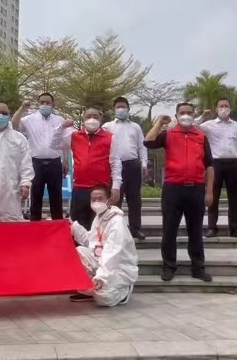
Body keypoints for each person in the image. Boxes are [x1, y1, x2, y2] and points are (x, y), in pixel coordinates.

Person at [144, 103, 214, 283]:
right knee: (169, 230)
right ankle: (169, 266)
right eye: (182, 113)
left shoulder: (201, 136)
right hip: (173, 188)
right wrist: (159, 123)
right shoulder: (168, 134)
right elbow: (148, 142)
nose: (186, 115)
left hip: (196, 188)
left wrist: (209, 191)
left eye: (189, 113)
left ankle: (198, 267)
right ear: (176, 115)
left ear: (194, 115)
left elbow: (209, 165)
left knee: (195, 230)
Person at [51, 107, 121, 231]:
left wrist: (116, 185)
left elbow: (115, 162)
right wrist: (62, 126)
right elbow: (54, 144)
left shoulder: (110, 137)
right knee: (78, 226)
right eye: (88, 116)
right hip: (80, 188)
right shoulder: (74, 136)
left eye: (95, 116)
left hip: (101, 189)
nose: (92, 119)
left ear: (100, 119)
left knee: (100, 226)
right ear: (83, 119)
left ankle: (99, 244)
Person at [69, 184, 138, 306]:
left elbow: (112, 255)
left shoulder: (116, 223)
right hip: (101, 261)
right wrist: (73, 226)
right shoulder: (98, 218)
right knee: (78, 252)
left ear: (109, 200)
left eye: (100, 199)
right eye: (93, 199)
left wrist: (101, 277)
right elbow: (90, 241)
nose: (96, 202)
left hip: (118, 267)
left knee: (103, 297)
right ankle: (92, 290)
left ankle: (123, 291)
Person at [12, 93, 69, 221]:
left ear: (53, 105)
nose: (45, 105)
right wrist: (22, 108)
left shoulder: (60, 120)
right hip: (36, 163)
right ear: (38, 104)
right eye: (42, 102)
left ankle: (57, 225)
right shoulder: (29, 119)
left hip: (55, 162)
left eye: (48, 102)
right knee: (36, 197)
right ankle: (35, 226)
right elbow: (14, 124)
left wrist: (65, 161)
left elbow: (64, 141)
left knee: (56, 197)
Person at [199, 97, 237, 239]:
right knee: (214, 196)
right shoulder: (209, 125)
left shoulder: (236, 126)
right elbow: (193, 126)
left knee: (234, 197)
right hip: (216, 163)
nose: (224, 109)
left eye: (226, 106)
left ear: (230, 109)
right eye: (221, 106)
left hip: (232, 163)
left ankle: (234, 228)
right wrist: (202, 116)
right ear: (216, 109)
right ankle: (212, 227)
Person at [103, 97, 147, 240]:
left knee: (134, 199)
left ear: (128, 109)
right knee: (115, 198)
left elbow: (142, 146)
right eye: (118, 107)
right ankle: (115, 229)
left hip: (132, 164)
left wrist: (144, 162)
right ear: (114, 109)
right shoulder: (107, 126)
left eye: (123, 107)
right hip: (115, 166)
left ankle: (136, 228)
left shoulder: (135, 126)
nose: (121, 109)